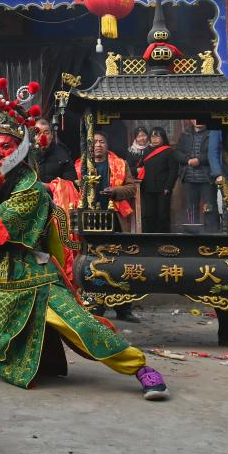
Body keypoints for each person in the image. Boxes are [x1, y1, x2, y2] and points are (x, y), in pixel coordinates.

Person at [0, 84, 168, 400]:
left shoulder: (32, 190)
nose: (0, 152)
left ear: (21, 151)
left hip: (31, 275)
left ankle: (141, 368)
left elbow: (3, 229)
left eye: (8, 146)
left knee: (82, 327)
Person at [75, 130, 140, 322]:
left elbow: (131, 187)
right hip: (90, 220)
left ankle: (124, 308)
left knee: (120, 262)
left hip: (115, 219)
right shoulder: (80, 165)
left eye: (101, 141)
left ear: (107, 144)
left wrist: (115, 191)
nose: (98, 145)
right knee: (94, 263)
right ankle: (96, 306)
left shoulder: (119, 164)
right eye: (94, 142)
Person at [174, 121, 217, 230]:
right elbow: (177, 152)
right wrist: (187, 160)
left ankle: (211, 233)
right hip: (188, 177)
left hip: (207, 178)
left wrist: (199, 160)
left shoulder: (212, 133)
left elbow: (216, 152)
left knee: (209, 207)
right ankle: (192, 233)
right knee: (191, 208)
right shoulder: (185, 134)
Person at [138, 127, 178, 233]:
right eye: (152, 136)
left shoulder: (169, 151)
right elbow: (139, 167)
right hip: (147, 188)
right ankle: (149, 238)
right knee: (149, 214)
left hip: (163, 189)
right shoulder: (146, 151)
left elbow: (173, 171)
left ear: (163, 138)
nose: (154, 139)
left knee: (162, 215)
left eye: (157, 136)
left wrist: (168, 187)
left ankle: (164, 239)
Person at [33, 117, 77, 183]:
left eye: (46, 133)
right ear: (34, 136)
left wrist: (50, 187)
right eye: (38, 133)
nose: (42, 137)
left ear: (52, 135)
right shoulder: (28, 155)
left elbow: (71, 184)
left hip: (55, 192)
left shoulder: (63, 155)